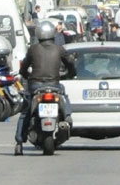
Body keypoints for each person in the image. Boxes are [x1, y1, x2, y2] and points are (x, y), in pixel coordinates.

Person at [14, 20, 77, 155]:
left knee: (25, 112)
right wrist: (71, 73)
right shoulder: (59, 49)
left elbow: (24, 67)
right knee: (64, 95)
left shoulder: (33, 49)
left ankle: (19, 142)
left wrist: (25, 74)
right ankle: (67, 115)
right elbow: (70, 62)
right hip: (54, 84)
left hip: (35, 86)